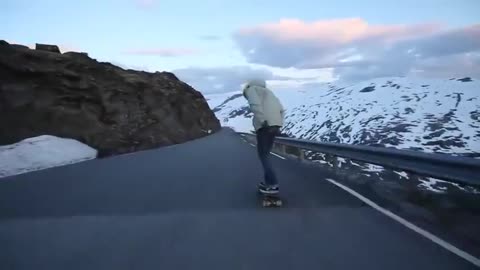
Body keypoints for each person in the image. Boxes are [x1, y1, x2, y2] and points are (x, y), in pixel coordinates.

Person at [243, 79, 285, 194]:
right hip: (275, 126)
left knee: (264, 155)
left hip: (265, 126)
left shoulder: (252, 89)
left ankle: (272, 184)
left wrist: (262, 121)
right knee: (266, 154)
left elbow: (255, 105)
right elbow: (281, 109)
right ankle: (268, 183)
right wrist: (279, 124)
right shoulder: (269, 92)